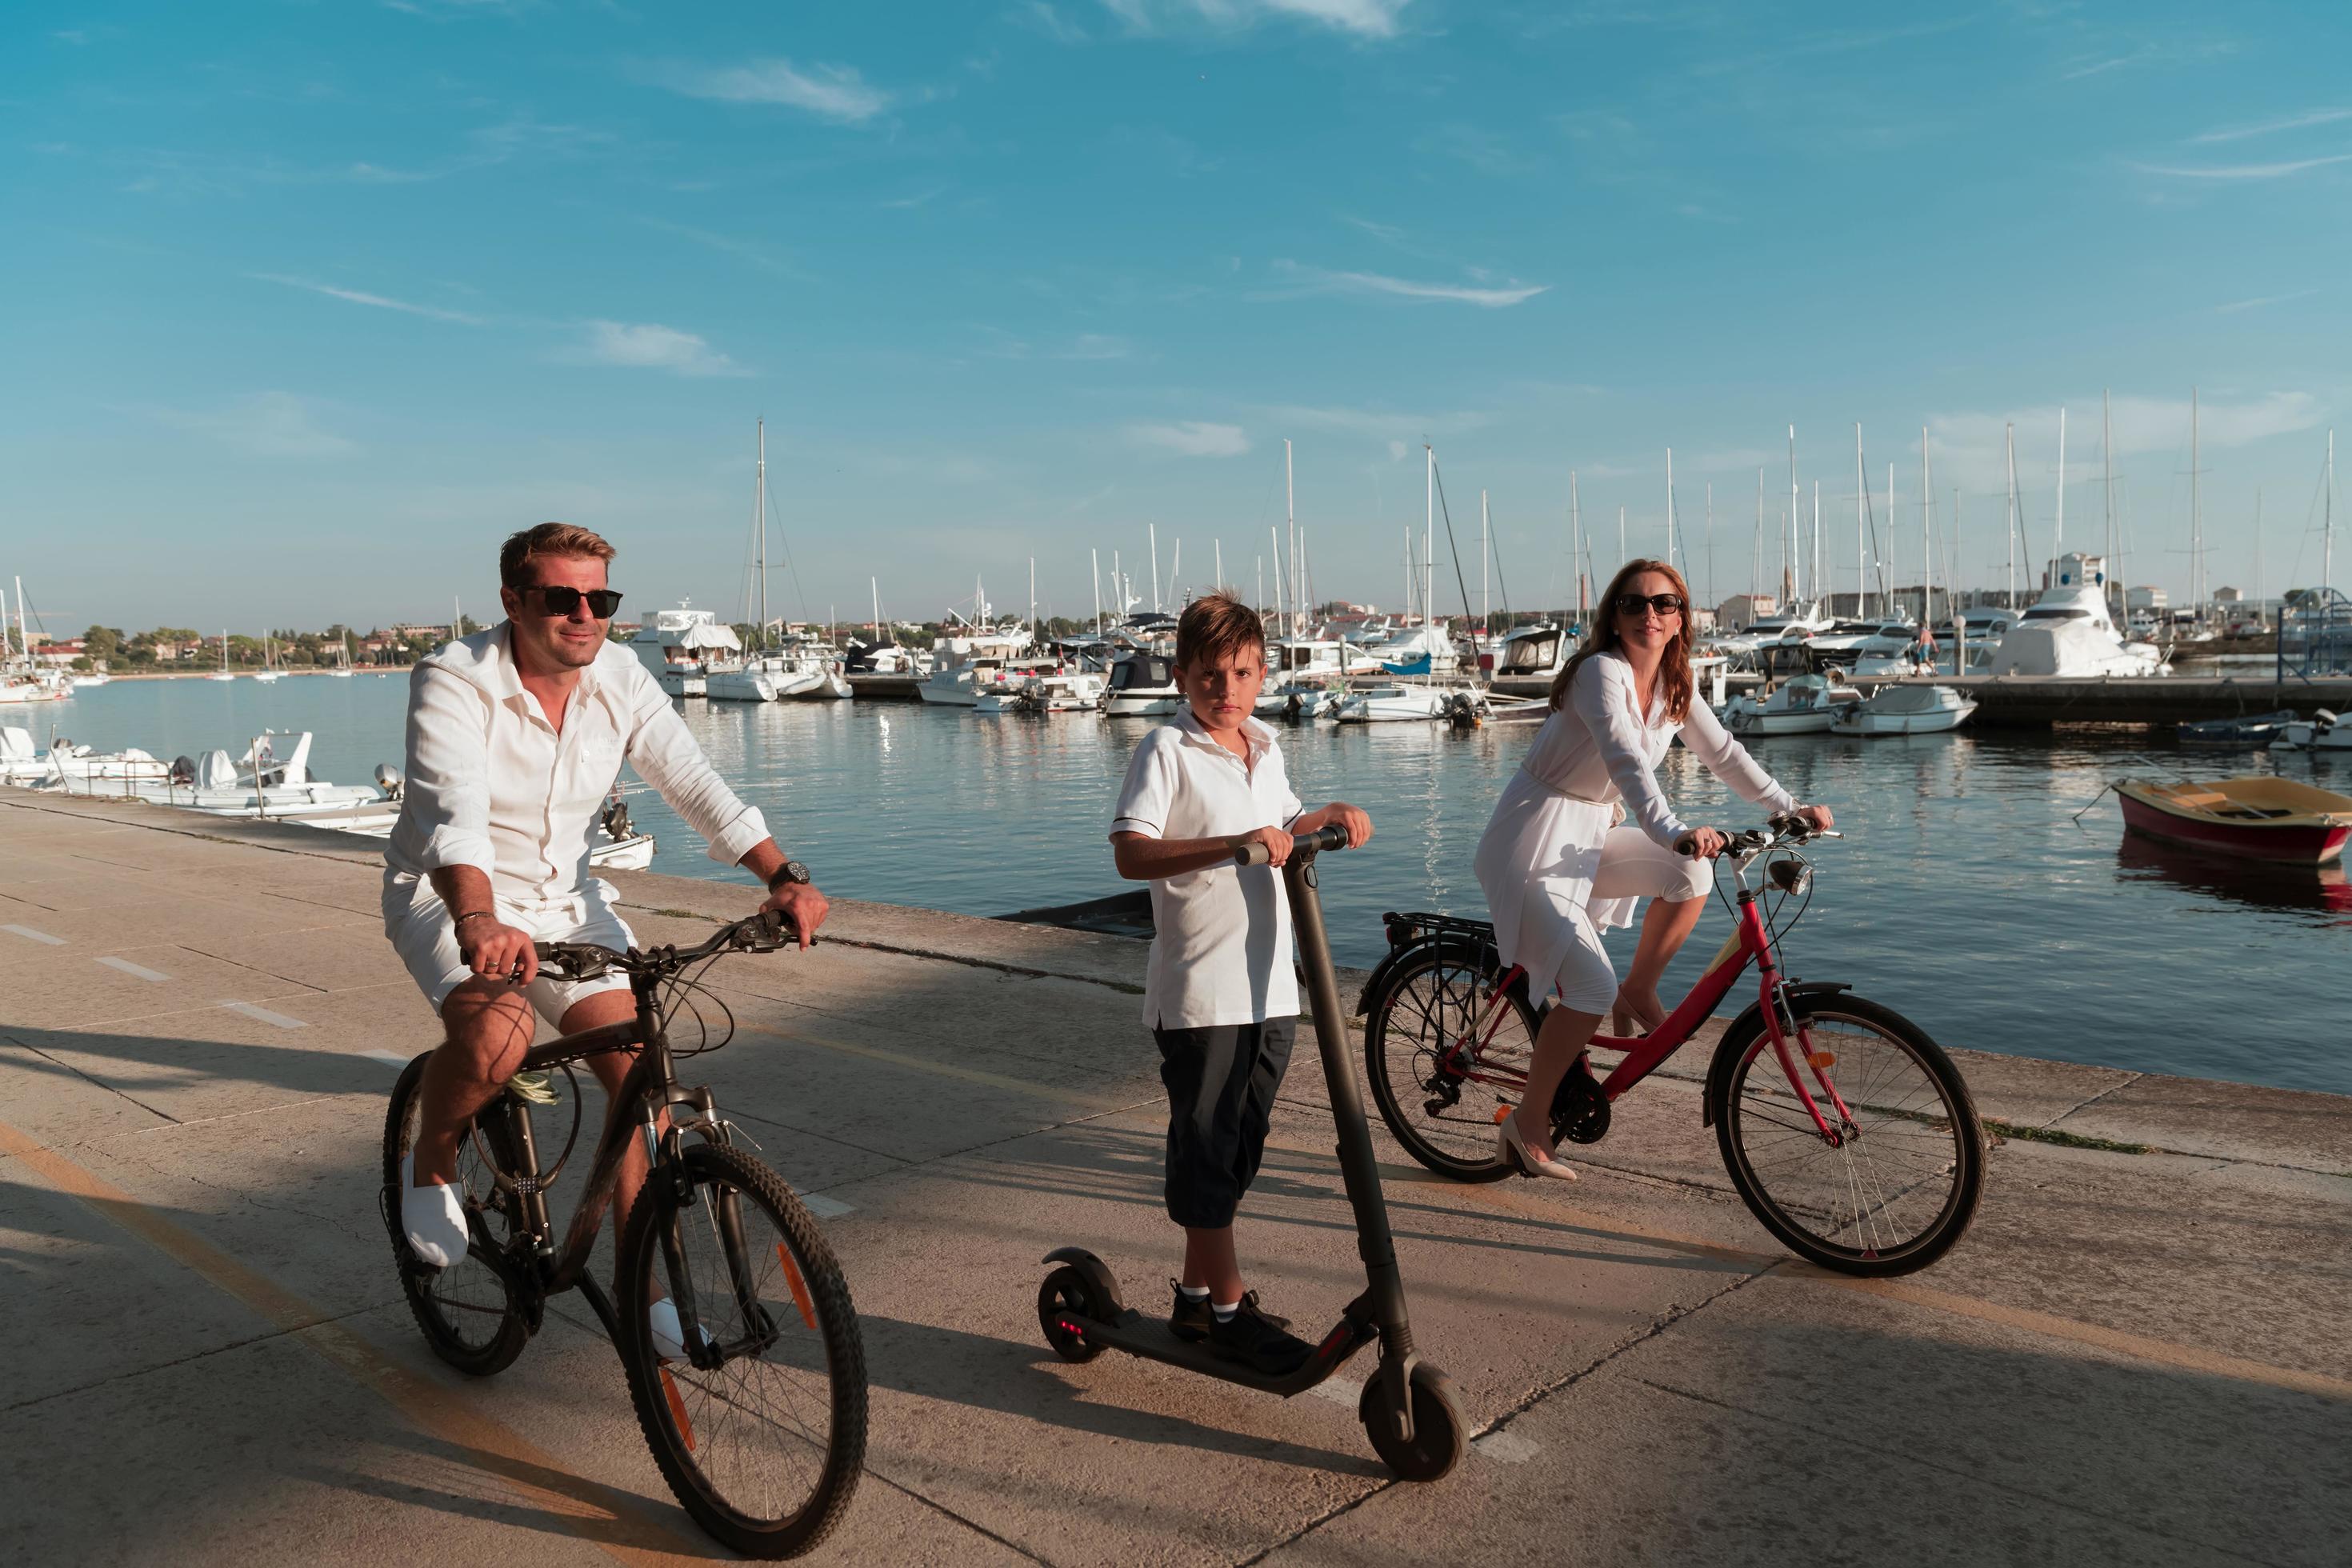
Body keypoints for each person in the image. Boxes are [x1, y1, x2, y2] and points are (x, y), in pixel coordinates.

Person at [384, 522, 829, 1356]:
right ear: (514, 602)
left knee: (638, 1083)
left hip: (569, 903)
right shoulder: (453, 679)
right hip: (452, 896)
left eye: (601, 600)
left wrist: (780, 875)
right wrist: (479, 918)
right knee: (499, 1035)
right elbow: (454, 820)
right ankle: (434, 1155)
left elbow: (694, 781)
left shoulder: (619, 675)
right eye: (562, 599)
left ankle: (641, 1291)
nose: (584, 616)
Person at [1474, 558, 1832, 1180]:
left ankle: (1640, 987)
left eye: (1665, 604)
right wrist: (1672, 831)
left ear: (1681, 618)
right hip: (1532, 838)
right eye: (1634, 604)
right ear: (1613, 615)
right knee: (1588, 988)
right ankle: (1527, 1121)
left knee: (1689, 876)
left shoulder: (1674, 685)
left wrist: (1790, 807)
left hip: (1591, 833)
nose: (1650, 615)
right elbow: (1625, 761)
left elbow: (1724, 753)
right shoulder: (1598, 673)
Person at [1110, 593, 1373, 1374]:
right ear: (1184, 675)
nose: (1227, 687)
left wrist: (1332, 813)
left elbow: (1283, 823)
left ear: (1262, 675)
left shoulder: (1264, 746)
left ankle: (1194, 1300)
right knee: (1208, 1148)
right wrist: (1232, 845)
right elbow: (1131, 851)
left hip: (1270, 991)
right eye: (1211, 673)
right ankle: (1228, 1309)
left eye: (1243, 672)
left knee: (1238, 1148)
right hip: (1201, 996)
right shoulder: (1166, 750)